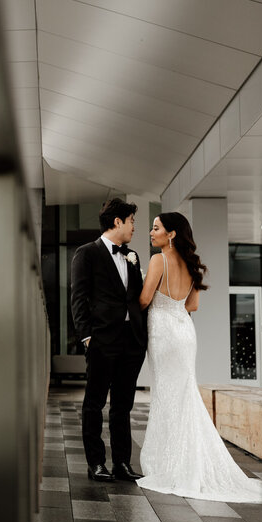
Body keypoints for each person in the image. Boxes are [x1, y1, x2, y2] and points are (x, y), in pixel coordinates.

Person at [136, 213, 262, 503]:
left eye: (156, 228)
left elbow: (144, 300)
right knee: (183, 394)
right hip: (184, 332)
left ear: (171, 234)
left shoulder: (159, 260)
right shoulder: (191, 264)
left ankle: (169, 463)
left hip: (163, 332)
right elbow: (192, 305)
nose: (150, 232)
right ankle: (185, 459)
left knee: (167, 395)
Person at [69, 198, 146, 483]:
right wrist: (87, 337)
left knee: (123, 405)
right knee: (94, 403)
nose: (134, 227)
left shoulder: (133, 256)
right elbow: (78, 299)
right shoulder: (86, 253)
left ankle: (122, 463)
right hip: (102, 339)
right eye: (132, 221)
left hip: (131, 342)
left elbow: (137, 298)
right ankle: (96, 463)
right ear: (118, 222)